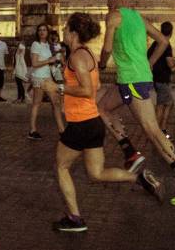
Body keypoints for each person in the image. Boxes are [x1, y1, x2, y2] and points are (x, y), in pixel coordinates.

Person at [54, 12, 163, 232]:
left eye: (66, 29)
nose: (63, 32)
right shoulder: (87, 55)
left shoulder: (77, 57)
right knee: (96, 173)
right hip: (93, 122)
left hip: (81, 123)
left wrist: (58, 87)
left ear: (74, 33)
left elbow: (86, 90)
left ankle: (75, 218)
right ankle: (139, 178)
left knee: (61, 166)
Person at [97, 0, 175, 205]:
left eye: (108, 0)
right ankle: (130, 153)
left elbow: (107, 47)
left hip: (132, 79)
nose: (107, 4)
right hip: (131, 78)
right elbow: (163, 41)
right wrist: (150, 63)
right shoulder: (138, 18)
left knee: (152, 130)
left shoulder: (113, 16)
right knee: (103, 107)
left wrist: (102, 64)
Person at [27, 23, 64, 140]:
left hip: (48, 77)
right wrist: (49, 60)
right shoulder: (35, 44)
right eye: (40, 30)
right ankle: (32, 130)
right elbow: (34, 63)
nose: (42, 32)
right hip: (38, 77)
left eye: (44, 30)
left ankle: (62, 130)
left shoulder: (49, 45)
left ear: (48, 32)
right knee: (37, 103)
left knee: (56, 103)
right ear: (37, 33)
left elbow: (55, 60)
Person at [149, 21, 175, 137]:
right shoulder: (166, 44)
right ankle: (158, 131)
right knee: (162, 105)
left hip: (157, 78)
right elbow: (170, 64)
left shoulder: (155, 43)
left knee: (168, 103)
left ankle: (161, 129)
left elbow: (149, 57)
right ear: (171, 32)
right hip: (163, 79)